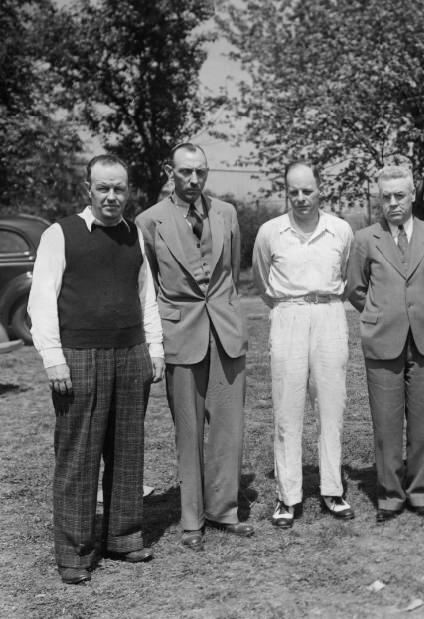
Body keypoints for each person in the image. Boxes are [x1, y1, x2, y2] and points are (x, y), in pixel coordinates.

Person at [28, 154, 165, 585]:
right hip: (79, 358)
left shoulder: (134, 236)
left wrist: (154, 350)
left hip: (130, 355)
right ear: (89, 188)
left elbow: (146, 297)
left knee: (126, 451)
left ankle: (123, 537)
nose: (111, 196)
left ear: (129, 191)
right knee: (78, 457)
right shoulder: (60, 234)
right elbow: (41, 302)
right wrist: (54, 359)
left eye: (119, 188)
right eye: (103, 188)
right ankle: (75, 552)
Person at [136, 143, 252, 551]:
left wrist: (227, 313)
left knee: (227, 428)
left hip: (225, 333)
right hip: (180, 335)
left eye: (200, 172)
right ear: (171, 171)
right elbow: (147, 284)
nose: (193, 179)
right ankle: (191, 520)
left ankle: (225, 510)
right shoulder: (149, 221)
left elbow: (232, 273)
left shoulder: (227, 214)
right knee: (187, 431)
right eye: (185, 172)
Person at [346, 166, 424, 522]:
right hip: (382, 342)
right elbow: (355, 288)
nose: (393, 203)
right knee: (386, 424)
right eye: (386, 197)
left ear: (411, 196)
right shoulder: (366, 239)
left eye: (400, 196)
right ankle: (391, 497)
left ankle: (423, 493)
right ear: (379, 199)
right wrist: (381, 314)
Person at [252, 161, 355, 528]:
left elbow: (346, 272)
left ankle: (332, 488)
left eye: (307, 190)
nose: (300, 198)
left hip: (329, 314)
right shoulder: (270, 232)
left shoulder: (340, 230)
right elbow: (262, 279)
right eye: (293, 191)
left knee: (331, 407)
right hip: (288, 315)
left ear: (319, 189)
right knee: (287, 409)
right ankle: (287, 496)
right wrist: (289, 307)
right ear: (286, 192)